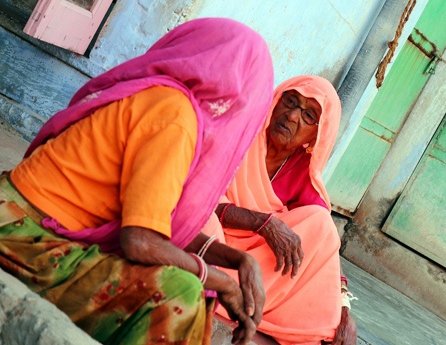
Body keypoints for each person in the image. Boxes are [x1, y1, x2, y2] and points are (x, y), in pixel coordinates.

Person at [0, 18, 274, 345]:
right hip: (26, 240)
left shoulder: (158, 95)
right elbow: (140, 241)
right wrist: (220, 281)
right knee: (181, 294)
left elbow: (152, 221)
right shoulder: (176, 116)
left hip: (16, 217)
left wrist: (237, 260)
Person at [202, 75, 358, 344]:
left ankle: (244, 300)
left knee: (319, 222)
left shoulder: (301, 171)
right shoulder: (242, 132)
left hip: (251, 261)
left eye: (309, 116)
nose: (293, 116)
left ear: (316, 136)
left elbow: (325, 246)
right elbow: (200, 196)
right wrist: (264, 224)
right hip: (212, 236)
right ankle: (218, 287)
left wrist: (344, 309)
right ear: (275, 101)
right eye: (290, 101)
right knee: (203, 221)